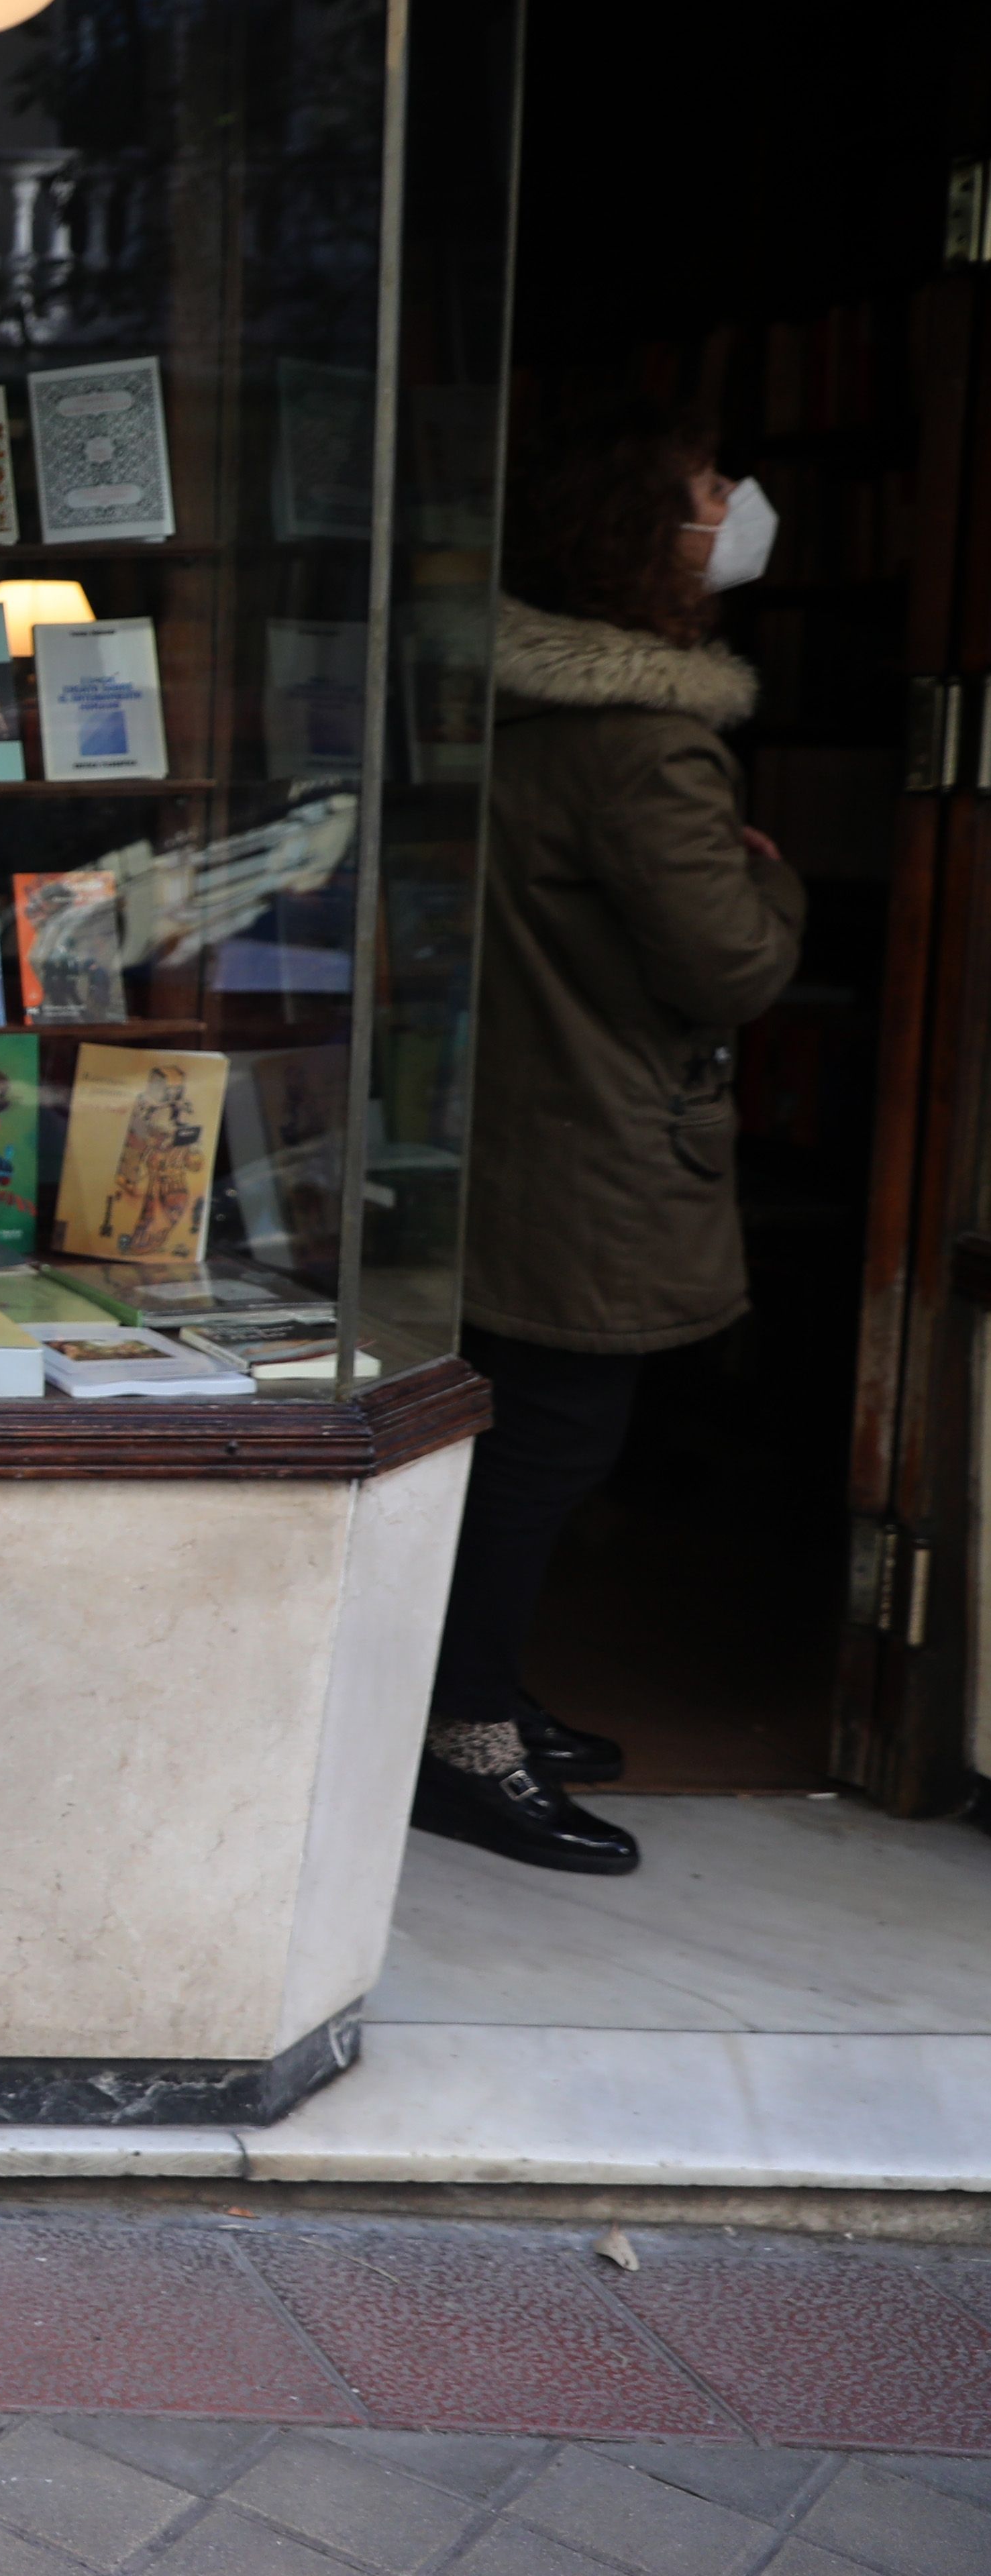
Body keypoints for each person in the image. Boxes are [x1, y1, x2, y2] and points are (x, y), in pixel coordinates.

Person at [424, 404, 806, 1874]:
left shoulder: (531, 713)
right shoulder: (648, 747)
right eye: (711, 489)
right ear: (646, 540)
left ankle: (482, 1694)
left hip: (523, 1124)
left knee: (512, 1431)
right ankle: (463, 1736)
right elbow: (731, 968)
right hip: (600, 1144)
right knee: (547, 1447)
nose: (737, 505)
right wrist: (777, 890)